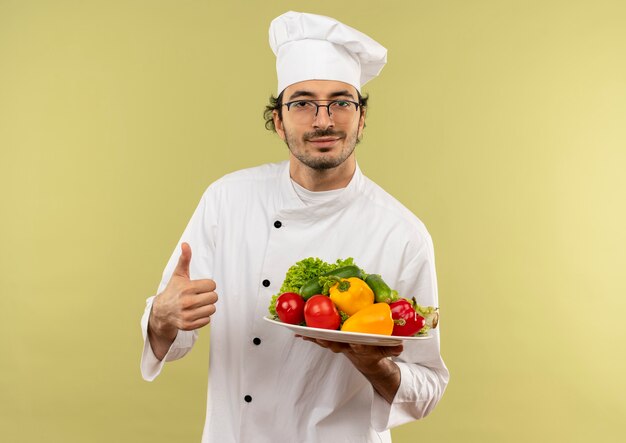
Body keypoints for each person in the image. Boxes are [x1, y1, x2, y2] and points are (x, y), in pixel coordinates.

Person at [140, 11, 449, 443]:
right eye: (302, 103)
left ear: (361, 118)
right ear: (279, 120)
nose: (323, 120)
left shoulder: (402, 233)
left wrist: (374, 365)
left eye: (341, 102)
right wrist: (160, 317)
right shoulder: (226, 201)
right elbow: (171, 334)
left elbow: (428, 387)